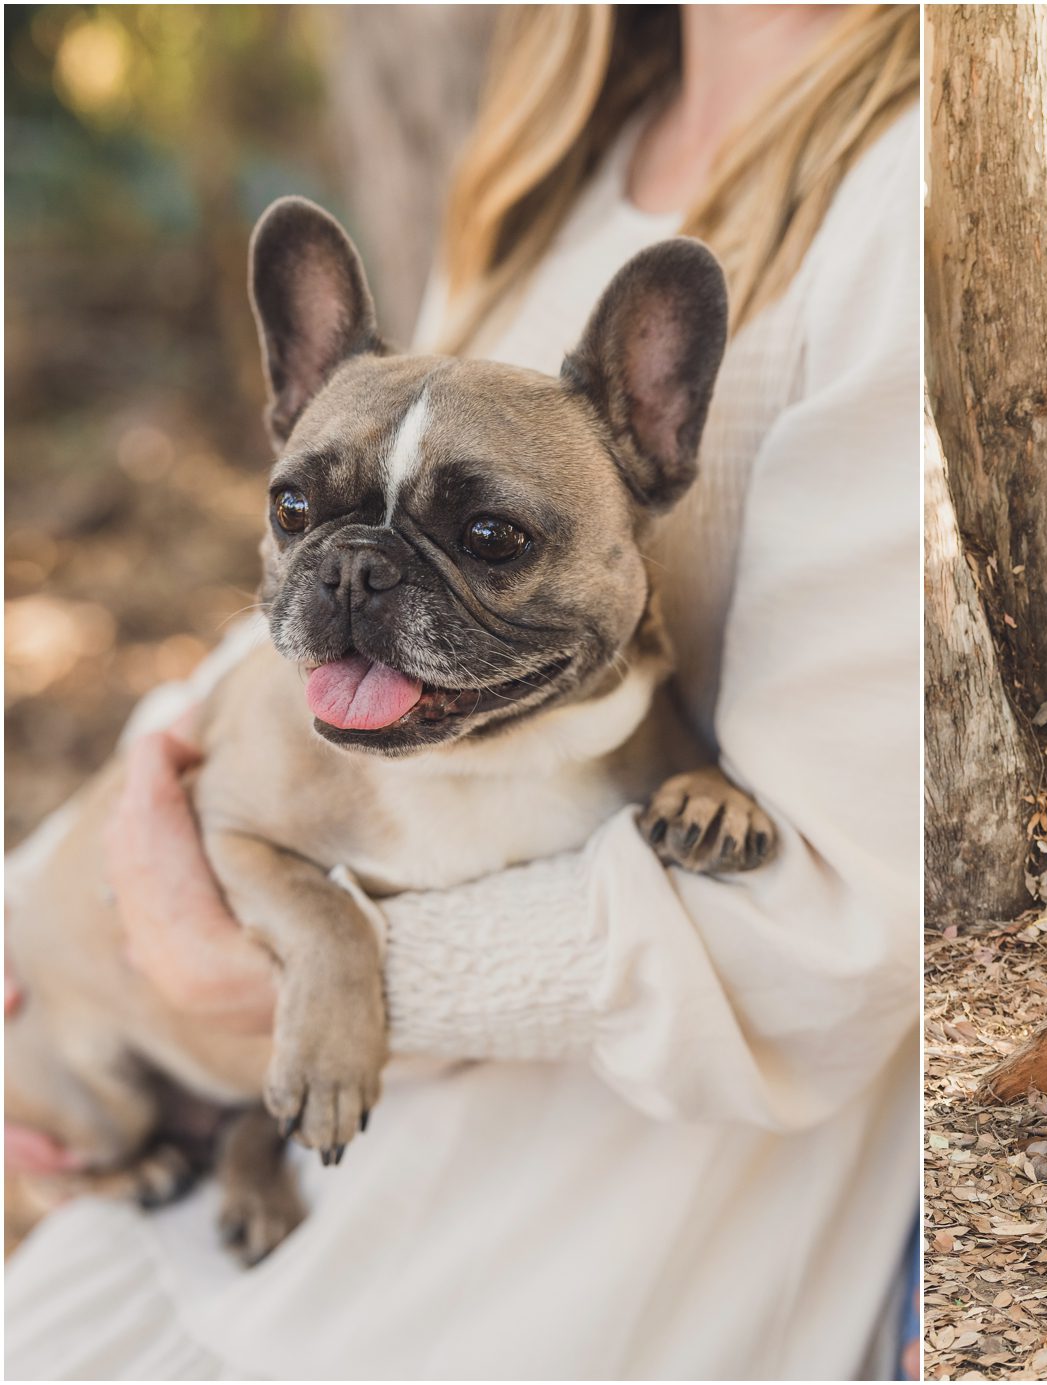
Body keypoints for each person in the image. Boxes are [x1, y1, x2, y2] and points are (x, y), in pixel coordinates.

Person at [4, 6, 921, 1378]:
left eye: (488, 539)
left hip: (607, 1194)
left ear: (660, 428)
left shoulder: (906, 190)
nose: (366, 584)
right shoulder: (564, 136)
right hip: (297, 1142)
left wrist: (308, 978)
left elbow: (835, 929)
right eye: (302, 510)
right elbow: (310, 626)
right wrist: (49, 896)